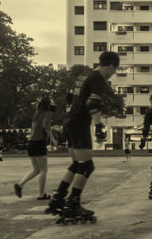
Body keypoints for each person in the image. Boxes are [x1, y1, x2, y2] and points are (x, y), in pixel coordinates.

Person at [46, 51, 119, 221]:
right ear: (109, 66)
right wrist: (99, 124)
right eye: (114, 70)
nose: (113, 74)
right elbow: (92, 102)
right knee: (87, 166)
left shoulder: (86, 76)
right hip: (79, 123)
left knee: (76, 164)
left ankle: (58, 198)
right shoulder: (98, 79)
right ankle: (73, 203)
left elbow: (73, 98)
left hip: (71, 121)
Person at [14, 97, 58, 200]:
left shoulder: (37, 113)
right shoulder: (47, 113)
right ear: (48, 104)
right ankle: (41, 194)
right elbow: (46, 127)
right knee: (44, 170)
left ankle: (20, 185)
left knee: (36, 169)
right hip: (39, 142)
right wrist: (53, 140)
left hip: (31, 143)